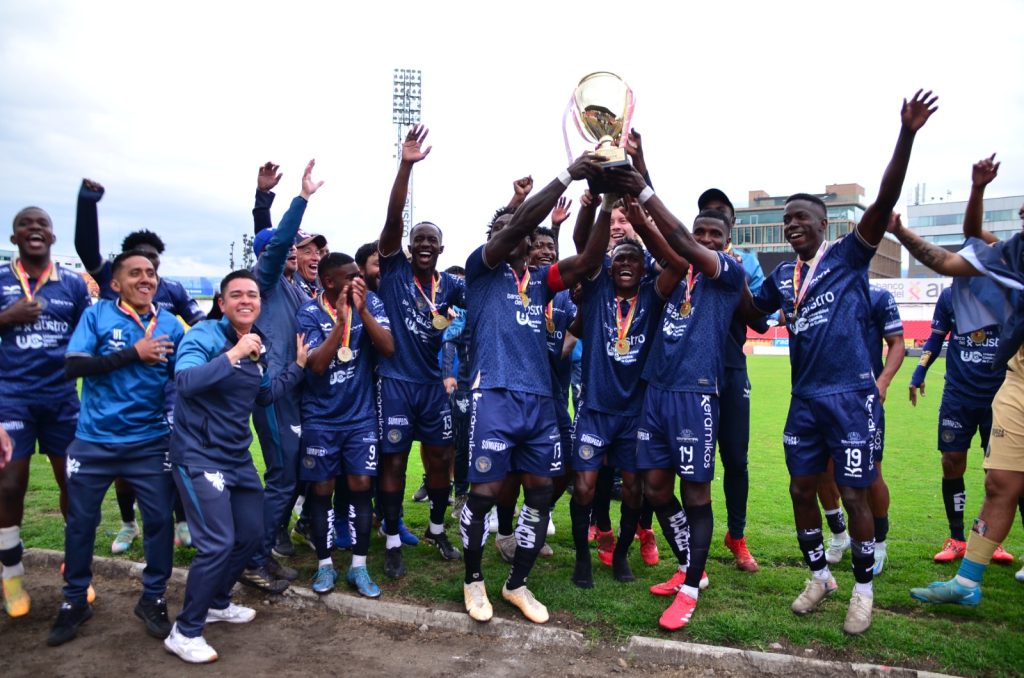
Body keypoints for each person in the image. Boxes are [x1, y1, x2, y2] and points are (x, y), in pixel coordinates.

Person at [747, 89, 938, 635]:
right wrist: (712, 268)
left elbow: (884, 197)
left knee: (855, 492)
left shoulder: (851, 258)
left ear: (823, 224)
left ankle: (862, 589)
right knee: (800, 489)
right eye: (786, 220)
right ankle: (818, 577)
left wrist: (907, 134)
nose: (791, 226)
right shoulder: (782, 277)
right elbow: (749, 312)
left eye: (800, 218)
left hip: (851, 399)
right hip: (804, 401)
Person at [460, 153, 606, 624]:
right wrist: (567, 173)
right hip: (495, 395)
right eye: (507, 228)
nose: (517, 232)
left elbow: (587, 260)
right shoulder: (481, 272)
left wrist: (603, 204)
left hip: (540, 402)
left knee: (541, 493)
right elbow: (517, 221)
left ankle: (516, 585)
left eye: (521, 228)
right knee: (482, 495)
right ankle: (473, 580)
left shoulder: (543, 280)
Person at [163, 270, 307, 663]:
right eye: (237, 295)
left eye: (253, 295)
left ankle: (219, 602)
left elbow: (263, 396)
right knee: (217, 542)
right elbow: (187, 381)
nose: (247, 300)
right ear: (222, 302)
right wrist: (235, 354)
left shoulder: (256, 345)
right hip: (198, 455)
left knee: (252, 532)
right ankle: (185, 630)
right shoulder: (205, 336)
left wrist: (296, 366)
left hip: (236, 457)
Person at [49, 250, 185, 646]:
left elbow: (182, 377)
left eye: (151, 273)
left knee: (159, 521)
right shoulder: (97, 315)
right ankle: (75, 600)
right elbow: (73, 365)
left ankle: (154, 598)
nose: (146, 279)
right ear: (115, 283)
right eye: (135, 273)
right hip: (94, 441)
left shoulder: (171, 326)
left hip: (150, 442)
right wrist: (133, 354)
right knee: (80, 522)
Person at [75, 179, 206, 553]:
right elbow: (86, 249)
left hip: (164, 392)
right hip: (114, 392)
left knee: (170, 457)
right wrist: (88, 203)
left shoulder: (174, 290)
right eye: (140, 260)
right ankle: (127, 524)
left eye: (154, 261)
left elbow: (199, 324)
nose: (148, 270)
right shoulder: (113, 284)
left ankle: (181, 522)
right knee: (122, 473)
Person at [568, 198, 683, 589]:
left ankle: (620, 556)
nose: (626, 265)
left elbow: (678, 265)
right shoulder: (598, 290)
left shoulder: (654, 293)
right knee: (584, 486)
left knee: (634, 489)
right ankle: (583, 557)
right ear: (610, 267)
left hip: (636, 413)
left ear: (642, 266)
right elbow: (584, 243)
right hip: (595, 410)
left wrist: (641, 230)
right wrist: (597, 205)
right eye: (619, 261)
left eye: (633, 261)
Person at [375, 125, 464, 577]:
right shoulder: (392, 271)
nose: (425, 245)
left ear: (441, 248)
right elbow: (393, 219)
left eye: (432, 240)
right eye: (419, 240)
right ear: (408, 247)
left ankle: (434, 527)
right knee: (393, 460)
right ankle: (391, 537)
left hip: (432, 386)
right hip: (395, 383)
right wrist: (406, 165)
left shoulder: (451, 284)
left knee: (441, 459)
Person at [0, 205, 91, 618]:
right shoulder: (2, 280)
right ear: (14, 237)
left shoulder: (71, 284)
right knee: (9, 486)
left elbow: (89, 336)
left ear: (53, 237)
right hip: (11, 398)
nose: (34, 229)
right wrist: (8, 316)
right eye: (25, 225)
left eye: (42, 225)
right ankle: (13, 574)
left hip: (61, 399)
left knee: (74, 484)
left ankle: (76, 571)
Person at [296, 253, 393, 598]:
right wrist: (339, 324)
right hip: (320, 418)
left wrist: (362, 312)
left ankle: (359, 567)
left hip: (360, 417)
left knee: (361, 488)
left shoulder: (372, 304)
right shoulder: (308, 313)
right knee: (321, 491)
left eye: (359, 275)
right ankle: (325, 566)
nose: (358, 281)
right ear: (329, 282)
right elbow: (317, 366)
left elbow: (388, 347)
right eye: (350, 277)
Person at [696, 187, 763, 572]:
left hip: (731, 369)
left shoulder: (746, 263)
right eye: (703, 221)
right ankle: (693, 546)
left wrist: (734, 273)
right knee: (692, 464)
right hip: (689, 375)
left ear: (729, 230)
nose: (707, 239)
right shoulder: (685, 261)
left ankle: (736, 535)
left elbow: (757, 318)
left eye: (717, 222)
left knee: (735, 458)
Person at [817, 285, 905, 574]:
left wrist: (882, 385)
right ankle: (840, 536)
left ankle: (879, 544)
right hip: (823, 398)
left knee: (870, 474)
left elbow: (897, 343)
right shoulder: (821, 292)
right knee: (821, 471)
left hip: (862, 402)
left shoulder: (878, 296)